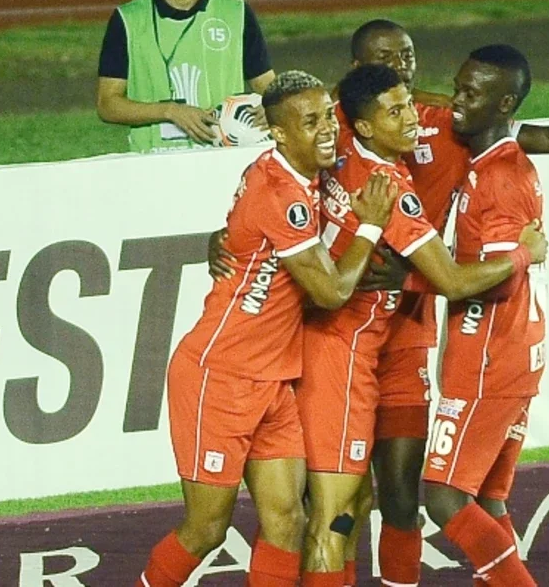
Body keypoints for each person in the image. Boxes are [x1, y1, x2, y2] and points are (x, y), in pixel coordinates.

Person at [136, 70, 396, 587]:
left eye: (329, 117)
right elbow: (332, 292)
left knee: (288, 521)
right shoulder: (283, 194)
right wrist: (371, 224)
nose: (328, 130)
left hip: (274, 380)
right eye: (311, 122)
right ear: (277, 133)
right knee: (207, 528)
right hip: (222, 376)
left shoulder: (291, 171)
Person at [295, 63, 547, 587]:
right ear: (362, 124)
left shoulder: (345, 154)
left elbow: (529, 132)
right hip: (338, 355)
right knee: (337, 506)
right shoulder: (386, 188)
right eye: (397, 110)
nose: (415, 119)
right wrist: (525, 255)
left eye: (411, 102)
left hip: (392, 346)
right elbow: (453, 281)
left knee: (394, 498)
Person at [417, 44, 545, 587]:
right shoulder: (501, 163)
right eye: (458, 86)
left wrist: (421, 274)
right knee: (488, 499)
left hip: (487, 356)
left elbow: (495, 280)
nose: (457, 102)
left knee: (442, 497)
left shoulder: (496, 180)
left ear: (505, 103)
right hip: (515, 352)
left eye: (472, 93)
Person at [96, 0, 275, 152]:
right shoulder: (128, 19)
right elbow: (108, 105)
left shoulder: (236, 13)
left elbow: (268, 89)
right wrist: (170, 111)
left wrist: (273, 107)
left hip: (222, 158)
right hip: (153, 162)